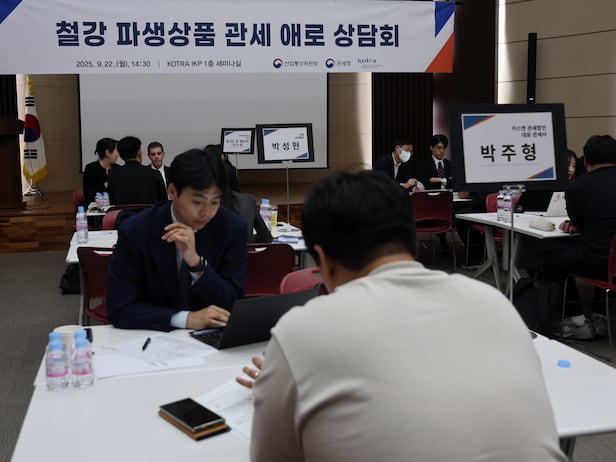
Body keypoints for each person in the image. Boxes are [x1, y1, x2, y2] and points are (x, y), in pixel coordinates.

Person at [237, 170, 566, 462]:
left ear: (322, 259)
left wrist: (285, 376)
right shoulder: (493, 303)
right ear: (410, 236)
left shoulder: (303, 331)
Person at [107, 148, 247, 331]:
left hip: (212, 338)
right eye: (197, 202)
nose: (206, 212)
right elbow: (120, 309)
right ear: (172, 191)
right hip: (153, 339)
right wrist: (184, 319)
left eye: (215, 202)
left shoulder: (231, 228)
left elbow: (233, 303)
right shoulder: (136, 231)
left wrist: (196, 265)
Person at [546, 135, 616, 339]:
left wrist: (576, 225)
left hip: (598, 261)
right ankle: (600, 316)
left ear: (585, 161)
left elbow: (577, 220)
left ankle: (575, 319)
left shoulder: (577, 187)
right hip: (611, 260)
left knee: (553, 261)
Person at [107, 136, 168, 205]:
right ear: (139, 153)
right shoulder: (154, 174)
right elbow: (164, 203)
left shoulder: (112, 175)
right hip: (149, 212)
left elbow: (112, 202)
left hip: (123, 212)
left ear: (120, 155)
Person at [82, 137, 119, 205]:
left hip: (114, 205)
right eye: (116, 151)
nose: (118, 154)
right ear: (108, 153)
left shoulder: (118, 168)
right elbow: (87, 193)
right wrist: (104, 185)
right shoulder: (91, 168)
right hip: (95, 205)